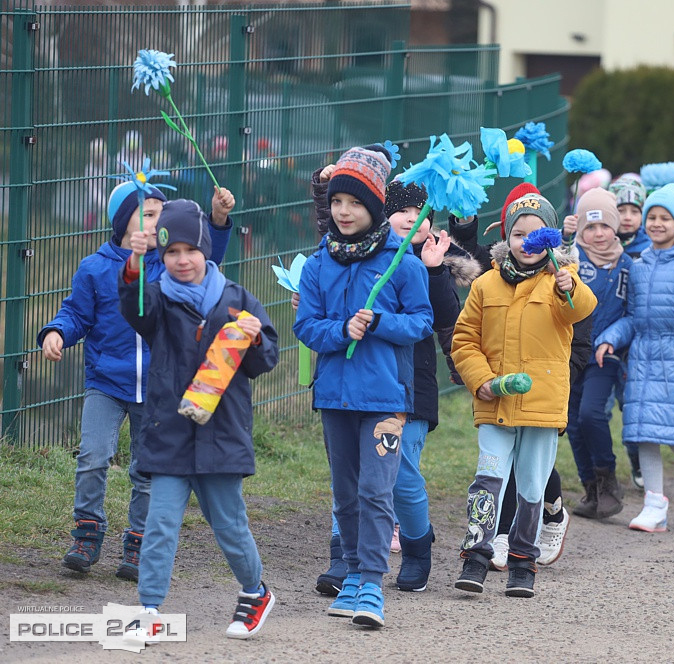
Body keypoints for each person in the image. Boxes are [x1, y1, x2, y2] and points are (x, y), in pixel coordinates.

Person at [38, 180, 235, 582]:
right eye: (147, 213)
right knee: (93, 457)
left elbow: (206, 258)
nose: (157, 222)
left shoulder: (169, 266)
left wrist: (218, 219)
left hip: (159, 388)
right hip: (106, 383)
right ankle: (87, 533)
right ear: (122, 221)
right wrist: (56, 332)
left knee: (146, 470)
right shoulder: (95, 267)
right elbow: (76, 313)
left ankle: (138, 541)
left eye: (161, 215)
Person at [309, 170, 477, 595]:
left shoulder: (424, 264)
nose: (410, 219)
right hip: (348, 384)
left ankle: (418, 547)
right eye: (400, 209)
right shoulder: (342, 255)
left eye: (419, 213)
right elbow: (331, 226)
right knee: (351, 479)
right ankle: (343, 560)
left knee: (398, 477)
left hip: (407, 385)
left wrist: (436, 272)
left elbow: (440, 321)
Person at [119, 199, 278, 640]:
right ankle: (149, 611)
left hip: (220, 437)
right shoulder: (157, 301)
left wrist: (255, 337)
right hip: (169, 436)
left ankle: (255, 592)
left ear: (205, 250)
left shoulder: (236, 299)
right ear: (161, 256)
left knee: (229, 525)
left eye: (190, 250)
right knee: (160, 525)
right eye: (172, 252)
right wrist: (134, 259)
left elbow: (266, 359)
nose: (182, 260)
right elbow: (132, 307)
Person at [294, 146, 433, 628]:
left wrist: (377, 324)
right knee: (346, 494)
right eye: (336, 202)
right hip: (334, 397)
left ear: (374, 207)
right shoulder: (317, 266)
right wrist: (339, 332)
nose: (344, 211)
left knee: (377, 492)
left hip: (387, 401)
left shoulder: (403, 264)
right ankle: (351, 572)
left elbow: (421, 322)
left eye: (354, 202)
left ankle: (372, 583)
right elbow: (306, 326)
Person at [451, 191, 596, 598]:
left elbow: (580, 309)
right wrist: (479, 379)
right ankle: (477, 556)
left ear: (549, 238)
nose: (525, 242)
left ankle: (522, 561)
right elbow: (464, 340)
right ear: (506, 237)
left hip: (542, 408)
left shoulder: (560, 282)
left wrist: (569, 284)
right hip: (495, 400)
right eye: (517, 233)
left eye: (535, 234)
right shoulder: (485, 284)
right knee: (489, 480)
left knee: (531, 487)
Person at [596, 183, 674, 533]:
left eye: (666, 217)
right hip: (644, 356)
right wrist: (610, 338)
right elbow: (634, 317)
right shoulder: (639, 265)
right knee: (644, 432)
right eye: (652, 216)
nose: (657, 223)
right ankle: (654, 503)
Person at [561, 188, 632, 520]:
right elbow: (554, 265)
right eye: (590, 228)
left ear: (615, 226)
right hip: (572, 354)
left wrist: (611, 338)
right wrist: (565, 238)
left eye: (604, 225)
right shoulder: (573, 260)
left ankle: (608, 479)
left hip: (605, 356)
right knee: (572, 423)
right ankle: (590, 488)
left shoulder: (629, 266)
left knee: (592, 414)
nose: (598, 234)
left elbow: (633, 315)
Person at [607, 173, 647, 487]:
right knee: (600, 408)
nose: (629, 217)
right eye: (622, 210)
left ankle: (638, 461)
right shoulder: (601, 243)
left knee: (632, 406)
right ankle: (602, 466)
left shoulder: (650, 244)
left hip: (637, 342)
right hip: (605, 339)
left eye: (635, 210)